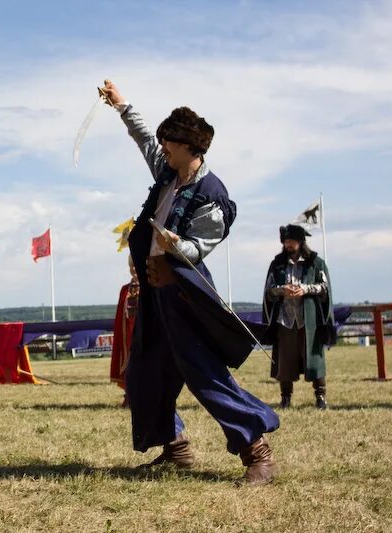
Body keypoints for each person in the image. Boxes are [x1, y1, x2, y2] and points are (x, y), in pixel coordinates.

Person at [101, 80, 280, 485]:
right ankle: (176, 448)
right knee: (145, 373)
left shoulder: (212, 192)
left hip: (184, 292)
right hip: (154, 292)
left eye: (169, 141)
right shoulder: (168, 172)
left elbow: (203, 244)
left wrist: (176, 251)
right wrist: (121, 104)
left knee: (202, 372)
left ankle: (257, 451)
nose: (162, 146)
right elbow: (145, 138)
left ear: (189, 147)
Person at [263, 224, 334, 409]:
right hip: (285, 320)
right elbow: (268, 291)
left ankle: (321, 397)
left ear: (300, 242)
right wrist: (281, 290)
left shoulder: (316, 263)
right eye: (286, 241)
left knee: (314, 358)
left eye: (291, 241)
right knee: (285, 361)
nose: (288, 244)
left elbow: (324, 287)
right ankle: (285, 398)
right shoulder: (277, 264)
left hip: (309, 320)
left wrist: (305, 289)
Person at [109, 254, 139, 407]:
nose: (134, 269)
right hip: (128, 335)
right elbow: (121, 314)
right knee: (130, 366)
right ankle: (130, 396)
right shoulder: (125, 289)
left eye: (136, 265)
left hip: (145, 334)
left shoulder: (151, 287)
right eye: (131, 266)